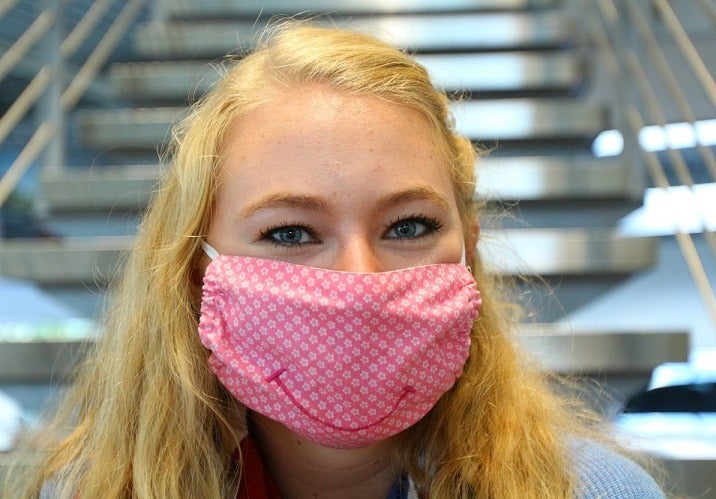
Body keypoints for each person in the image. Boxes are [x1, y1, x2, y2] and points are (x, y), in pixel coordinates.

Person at [3, 24, 665, 498]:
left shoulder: (594, 490)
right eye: (290, 232)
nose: (359, 281)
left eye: (409, 226)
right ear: (198, 269)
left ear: (468, 250)